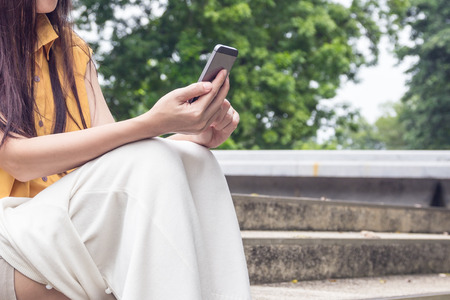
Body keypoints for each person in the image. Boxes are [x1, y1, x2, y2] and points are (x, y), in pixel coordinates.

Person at [0, 0, 252, 299]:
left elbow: (117, 160)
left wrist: (190, 136)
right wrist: (152, 123)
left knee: (195, 159)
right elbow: (17, 159)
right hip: (10, 240)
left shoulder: (72, 50)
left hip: (58, 233)